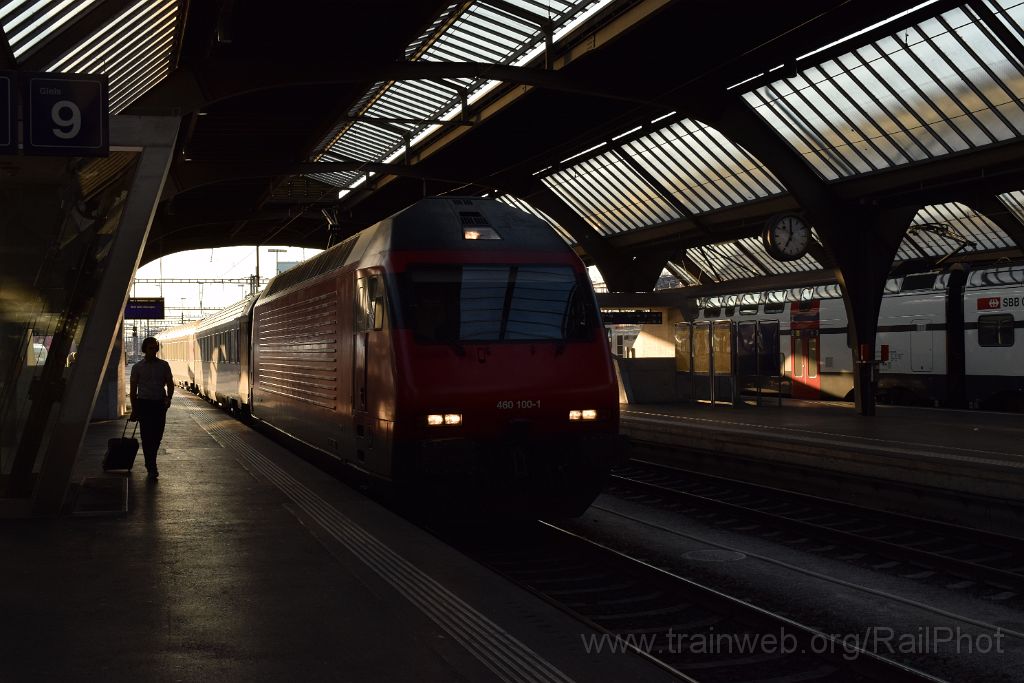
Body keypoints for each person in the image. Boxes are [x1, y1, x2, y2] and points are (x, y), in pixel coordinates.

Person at [129, 337, 174, 480]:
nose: (153, 351)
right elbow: (133, 390)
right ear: (144, 349)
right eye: (150, 348)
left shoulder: (164, 365)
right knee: (147, 437)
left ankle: (151, 463)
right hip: (144, 404)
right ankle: (151, 466)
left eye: (155, 348)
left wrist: (169, 398)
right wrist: (134, 409)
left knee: (157, 436)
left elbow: (170, 383)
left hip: (159, 404)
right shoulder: (137, 367)